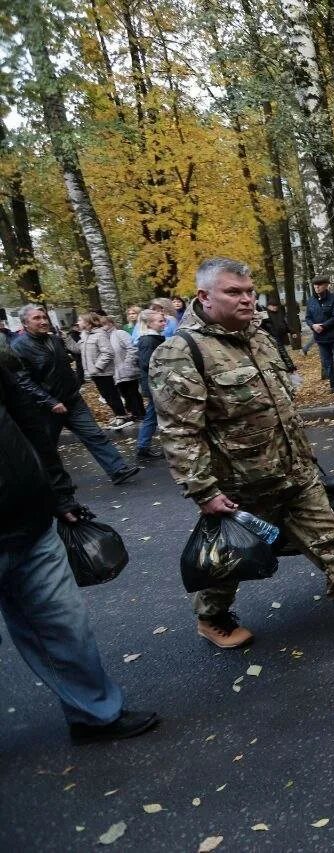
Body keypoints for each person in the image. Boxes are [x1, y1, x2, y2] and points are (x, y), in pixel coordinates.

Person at [150, 257, 334, 650]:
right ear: (204, 297)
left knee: (329, 537)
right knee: (232, 558)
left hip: (294, 471)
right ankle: (212, 618)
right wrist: (203, 490)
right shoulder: (182, 352)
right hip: (240, 487)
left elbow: (281, 404)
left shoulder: (258, 338)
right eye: (233, 292)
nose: (246, 300)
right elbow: (179, 431)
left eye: (249, 291)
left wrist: (304, 455)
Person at [0, 341, 159, 744]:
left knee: (65, 625)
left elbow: (28, 425)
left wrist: (58, 495)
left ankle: (94, 715)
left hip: (29, 520)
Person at [11, 306, 139, 485]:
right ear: (25, 323)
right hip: (45, 408)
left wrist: (75, 388)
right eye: (37, 318)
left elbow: (65, 367)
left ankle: (118, 469)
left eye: (44, 317)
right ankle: (42, 485)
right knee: (46, 447)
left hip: (72, 400)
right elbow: (23, 381)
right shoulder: (19, 347)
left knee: (95, 434)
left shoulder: (54, 339)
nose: (43, 321)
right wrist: (49, 402)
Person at [79, 313, 130, 427]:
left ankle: (122, 415)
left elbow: (108, 353)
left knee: (111, 394)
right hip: (95, 373)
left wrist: (97, 367)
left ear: (88, 322)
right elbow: (79, 350)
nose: (78, 322)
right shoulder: (85, 336)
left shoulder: (99, 334)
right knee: (106, 395)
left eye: (80, 320)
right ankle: (118, 415)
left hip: (102, 372)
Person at [134, 309, 167, 462]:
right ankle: (143, 446)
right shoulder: (149, 340)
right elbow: (147, 363)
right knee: (152, 415)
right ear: (149, 323)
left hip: (155, 382)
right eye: (160, 321)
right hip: (154, 383)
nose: (164, 323)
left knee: (153, 414)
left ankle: (143, 446)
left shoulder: (153, 339)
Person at [105, 315, 145, 422]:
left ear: (111, 323)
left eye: (105, 324)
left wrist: (127, 363)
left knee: (132, 393)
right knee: (125, 394)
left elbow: (131, 348)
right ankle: (134, 413)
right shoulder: (105, 337)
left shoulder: (119, 333)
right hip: (117, 371)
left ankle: (139, 414)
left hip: (127, 369)